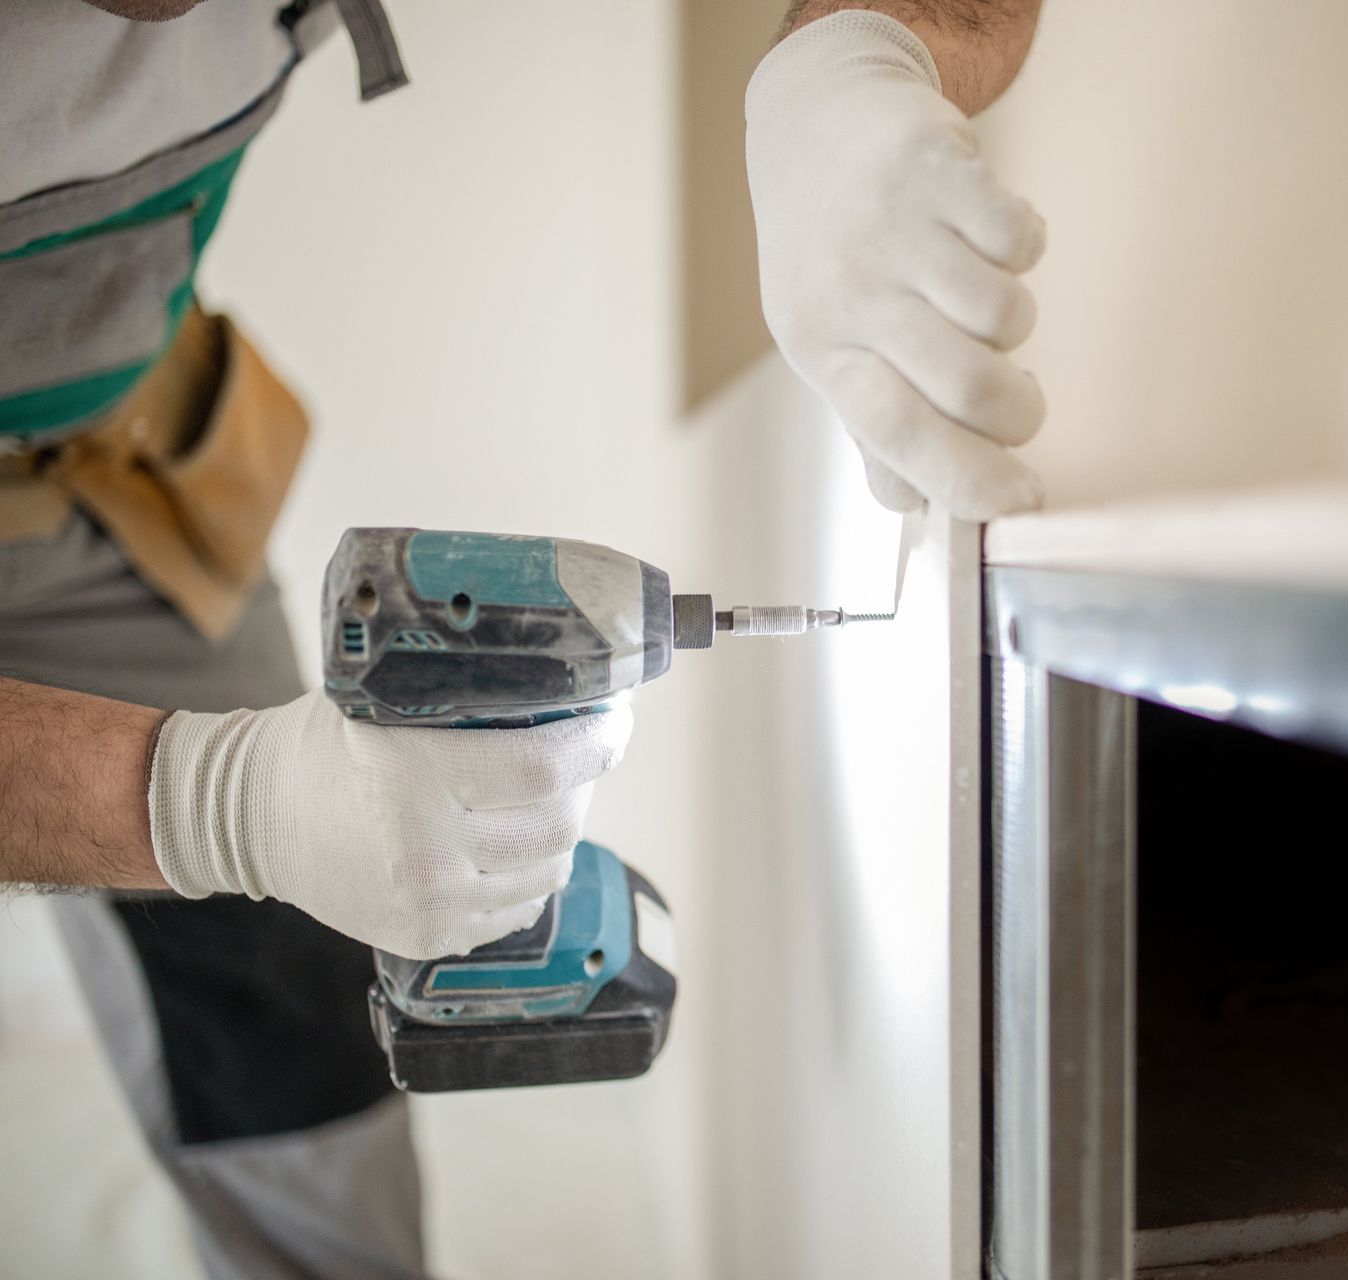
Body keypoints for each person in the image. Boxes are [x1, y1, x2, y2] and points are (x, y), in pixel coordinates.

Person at [0, 1, 1047, 1275]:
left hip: (105, 469)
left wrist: (859, 51)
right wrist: (220, 801)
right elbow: (223, 804)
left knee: (288, 1027)